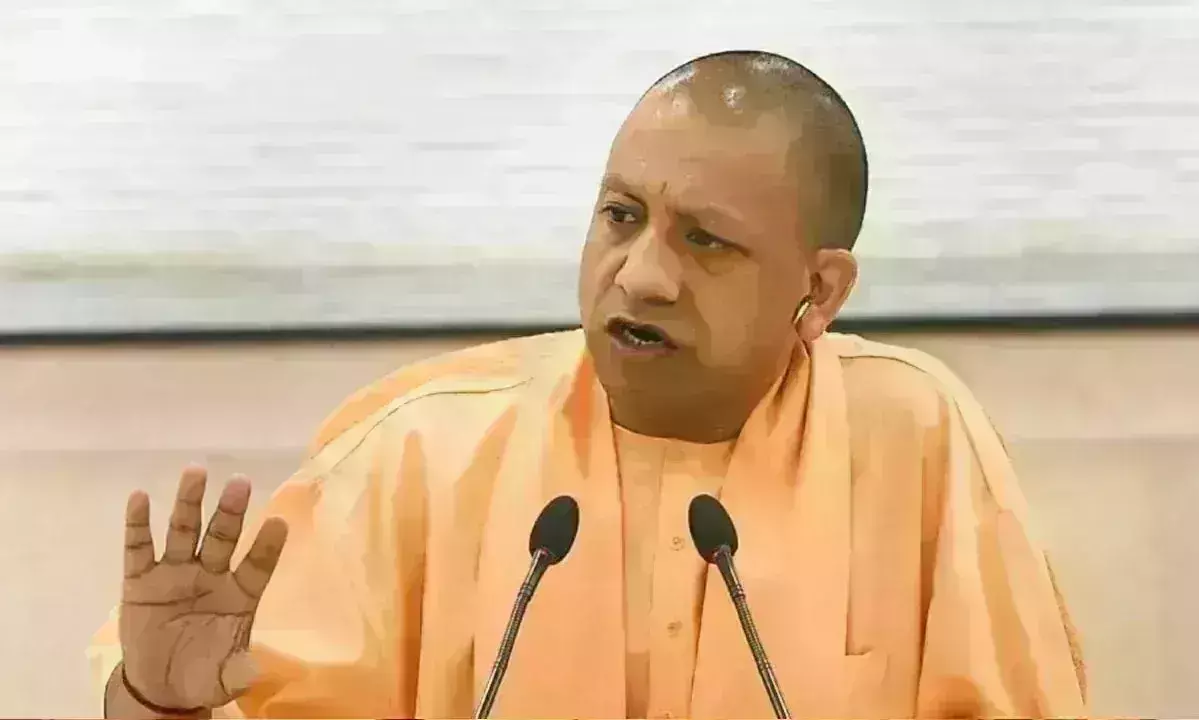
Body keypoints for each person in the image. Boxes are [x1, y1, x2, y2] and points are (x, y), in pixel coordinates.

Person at [90, 50, 1088, 719]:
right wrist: (156, 703)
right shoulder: (422, 453)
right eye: (621, 216)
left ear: (817, 290)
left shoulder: (910, 437)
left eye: (705, 241)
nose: (641, 275)